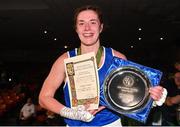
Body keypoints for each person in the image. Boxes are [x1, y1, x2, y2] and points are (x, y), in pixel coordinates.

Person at [39, 5, 167, 126]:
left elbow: (128, 94)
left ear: (101, 27)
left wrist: (151, 98)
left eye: (93, 22)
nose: (87, 28)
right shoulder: (65, 60)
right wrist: (72, 113)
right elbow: (44, 98)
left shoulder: (117, 58)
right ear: (76, 29)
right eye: (81, 23)